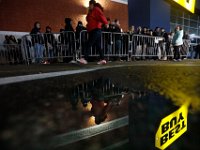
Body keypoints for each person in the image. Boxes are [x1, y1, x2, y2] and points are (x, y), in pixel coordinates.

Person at [78, 0, 108, 65]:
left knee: (88, 44)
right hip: (95, 30)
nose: (89, 6)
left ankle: (85, 59)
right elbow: (88, 19)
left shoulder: (96, 9)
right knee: (98, 46)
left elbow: (101, 16)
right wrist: (89, 12)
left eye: (89, 5)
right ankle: (103, 59)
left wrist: (106, 23)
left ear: (92, 5)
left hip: (95, 30)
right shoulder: (92, 11)